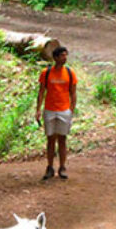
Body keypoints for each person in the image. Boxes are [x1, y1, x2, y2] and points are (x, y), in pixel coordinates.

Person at [35, 46, 77, 180]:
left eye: (66, 55)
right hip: (49, 110)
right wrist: (38, 109)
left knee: (62, 139)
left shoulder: (70, 73)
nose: (65, 58)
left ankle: (62, 167)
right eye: (62, 56)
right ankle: (50, 167)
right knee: (50, 139)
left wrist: (72, 109)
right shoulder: (46, 73)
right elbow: (41, 92)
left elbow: (73, 92)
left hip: (64, 110)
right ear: (55, 58)